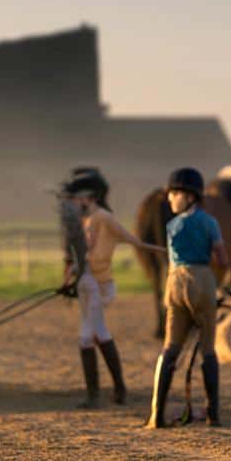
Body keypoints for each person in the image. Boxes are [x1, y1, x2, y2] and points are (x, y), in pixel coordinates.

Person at [62, 167, 165, 409]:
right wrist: (70, 277)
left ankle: (96, 395)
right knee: (99, 333)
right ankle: (118, 390)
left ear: (90, 197)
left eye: (77, 198)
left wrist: (164, 250)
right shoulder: (88, 220)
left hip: (98, 285)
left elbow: (132, 240)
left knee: (87, 336)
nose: (74, 203)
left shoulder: (103, 218)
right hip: (87, 283)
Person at [146, 167, 228, 429]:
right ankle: (213, 415)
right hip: (202, 280)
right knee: (208, 350)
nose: (170, 199)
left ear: (188, 196)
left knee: (170, 347)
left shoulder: (171, 225)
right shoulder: (210, 223)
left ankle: (156, 415)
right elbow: (222, 259)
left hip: (174, 282)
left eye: (174, 194)